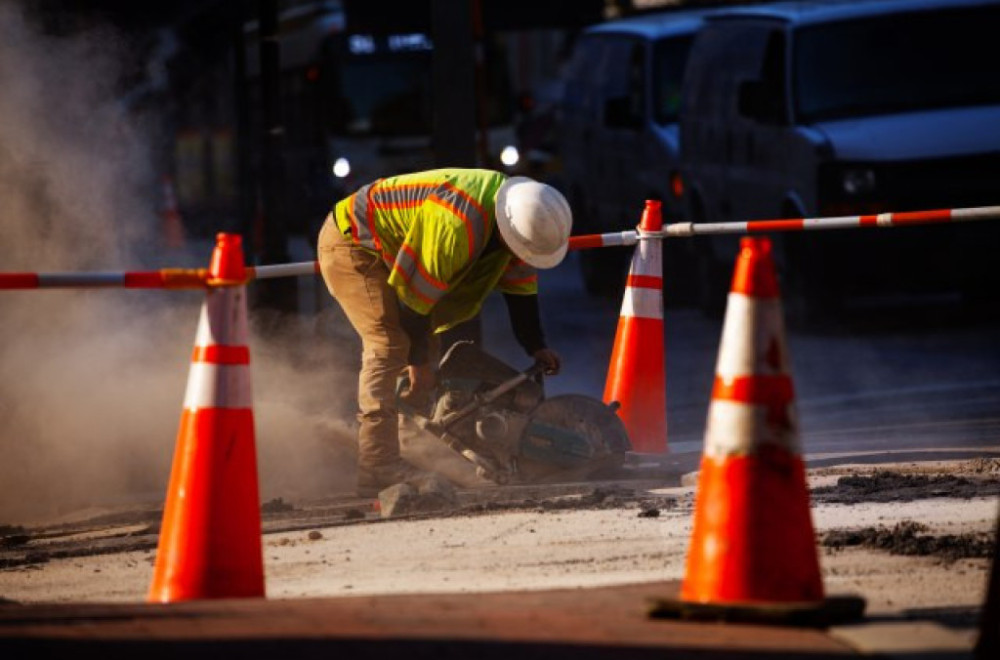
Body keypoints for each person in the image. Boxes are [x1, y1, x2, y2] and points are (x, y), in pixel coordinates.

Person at [317, 168, 573, 496]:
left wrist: (536, 346)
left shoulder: (519, 221)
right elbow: (414, 304)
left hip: (390, 244)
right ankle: (378, 465)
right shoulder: (456, 226)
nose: (522, 260)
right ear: (507, 233)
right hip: (353, 241)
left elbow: (520, 292)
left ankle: (410, 445)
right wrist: (419, 369)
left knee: (424, 348)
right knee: (389, 344)